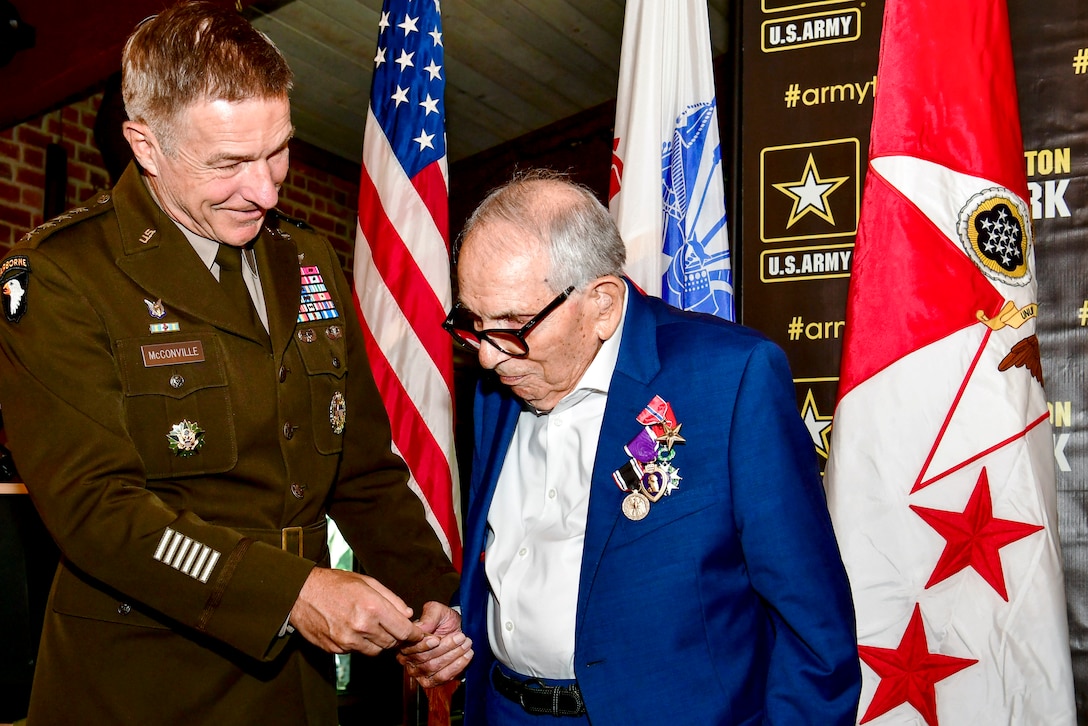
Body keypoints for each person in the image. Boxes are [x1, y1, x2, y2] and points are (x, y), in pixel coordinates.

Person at [0, 3, 469, 723]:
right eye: (229, 163)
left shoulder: (307, 259)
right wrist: (290, 593)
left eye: (278, 149)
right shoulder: (63, 276)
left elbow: (362, 468)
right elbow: (98, 513)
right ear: (145, 146)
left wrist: (433, 597)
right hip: (145, 681)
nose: (267, 189)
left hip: (301, 689)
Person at [436, 171, 861, 724]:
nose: (488, 357)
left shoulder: (730, 381)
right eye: (472, 323)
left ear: (603, 305)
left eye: (514, 325)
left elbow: (813, 627)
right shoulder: (503, 387)